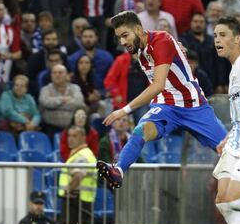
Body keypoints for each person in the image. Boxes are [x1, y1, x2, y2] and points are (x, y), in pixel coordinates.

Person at [97, 11, 227, 189]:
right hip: (166, 107)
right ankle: (118, 171)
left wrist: (124, 110)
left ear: (138, 29)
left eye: (125, 35)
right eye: (119, 37)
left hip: (194, 106)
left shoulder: (162, 40)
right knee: (140, 131)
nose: (122, 42)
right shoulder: (141, 53)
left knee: (228, 152)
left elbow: (158, 85)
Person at [212, 16, 240, 224]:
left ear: (238, 38)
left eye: (223, 35)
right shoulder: (234, 69)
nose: (217, 40)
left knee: (233, 200)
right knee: (223, 201)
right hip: (236, 139)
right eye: (215, 36)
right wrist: (230, 136)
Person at [180, 13, 229, 94]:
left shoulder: (213, 41)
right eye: (195, 21)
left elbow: (220, 63)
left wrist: (221, 83)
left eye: (201, 22)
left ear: (205, 24)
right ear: (191, 23)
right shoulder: (184, 40)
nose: (198, 24)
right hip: (192, 82)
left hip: (213, 82)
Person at [58, 125, 97, 224]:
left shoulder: (82, 156)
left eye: (74, 136)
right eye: (69, 136)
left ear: (83, 138)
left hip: (76, 200)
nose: (70, 139)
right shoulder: (83, 153)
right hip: (82, 199)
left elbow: (78, 176)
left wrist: (67, 191)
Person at [38, 64, 85, 139]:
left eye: (60, 72)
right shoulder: (45, 89)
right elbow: (46, 102)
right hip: (51, 127)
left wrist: (55, 106)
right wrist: (62, 99)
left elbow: (78, 103)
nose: (57, 75)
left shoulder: (75, 88)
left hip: (73, 127)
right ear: (51, 76)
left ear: (66, 75)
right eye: (54, 73)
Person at [68, 27, 114, 96]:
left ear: (96, 38)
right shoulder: (72, 59)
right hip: (80, 93)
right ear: (81, 39)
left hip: (104, 93)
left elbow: (113, 79)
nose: (88, 39)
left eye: (91, 36)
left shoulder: (107, 57)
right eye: (85, 36)